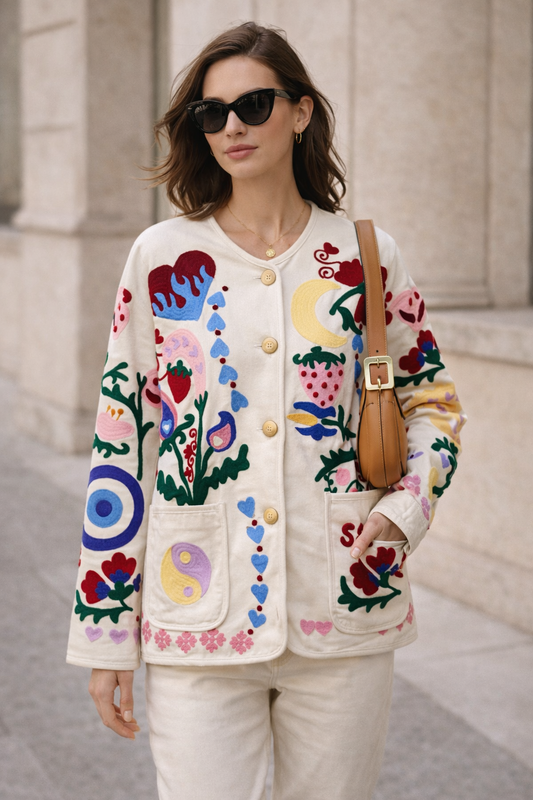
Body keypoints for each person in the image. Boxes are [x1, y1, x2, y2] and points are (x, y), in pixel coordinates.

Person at [67, 21, 465, 800]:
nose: (232, 127)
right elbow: (122, 443)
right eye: (210, 114)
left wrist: (405, 509)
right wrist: (104, 633)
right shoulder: (160, 258)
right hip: (196, 610)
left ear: (300, 111)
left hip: (345, 604)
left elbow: (432, 403)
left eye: (252, 105)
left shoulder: (366, 256)